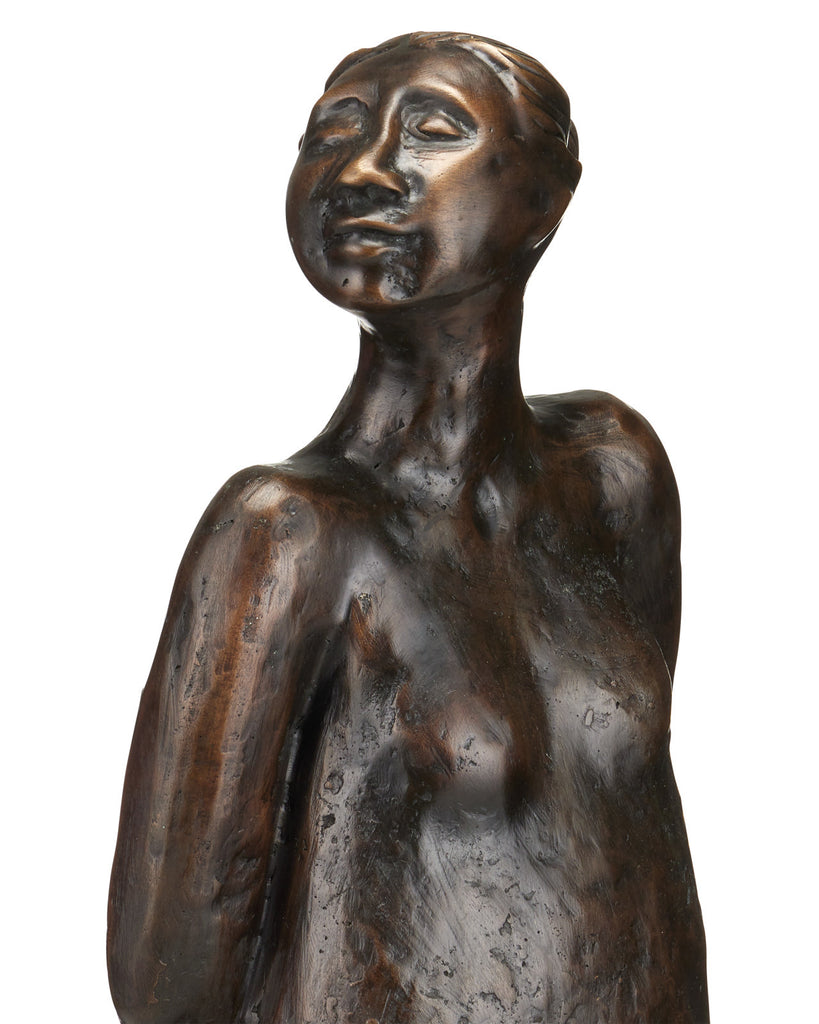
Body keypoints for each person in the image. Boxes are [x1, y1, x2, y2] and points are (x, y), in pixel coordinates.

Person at [108, 32, 708, 1024]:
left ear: (547, 201)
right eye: (330, 134)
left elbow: (622, 816)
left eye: (431, 129)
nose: (360, 171)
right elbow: (170, 988)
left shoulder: (614, 476)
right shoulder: (288, 535)